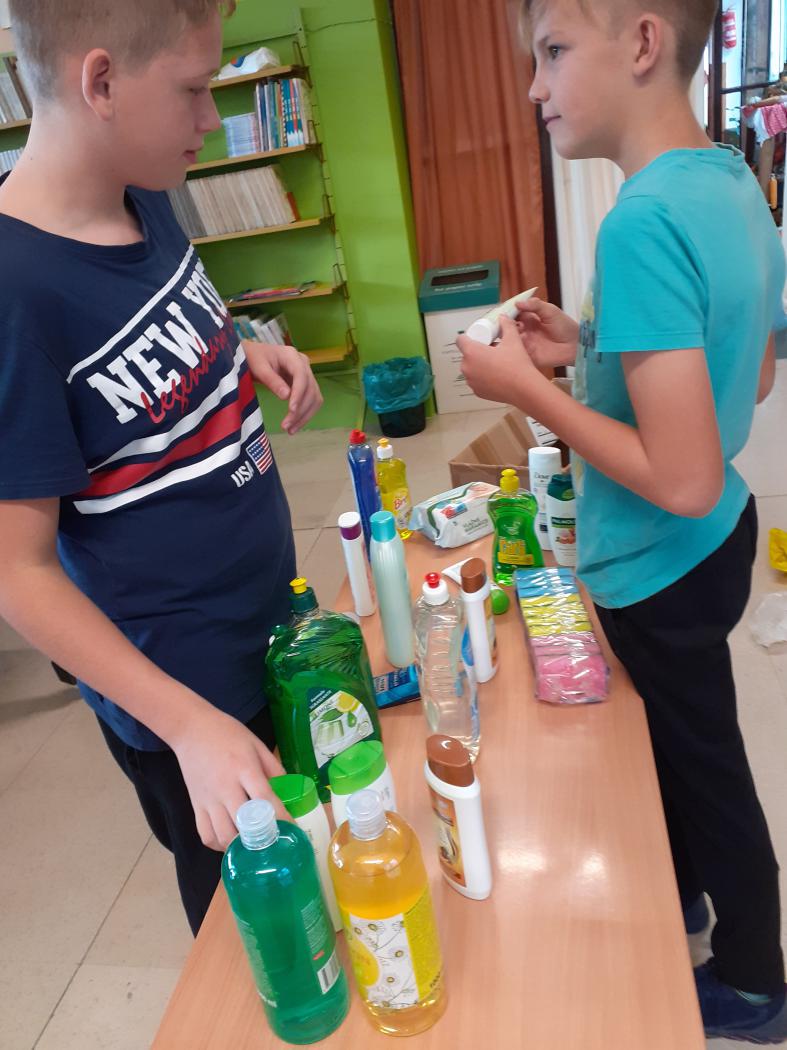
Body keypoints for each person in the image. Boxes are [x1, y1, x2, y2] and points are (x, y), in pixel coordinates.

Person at [458, 0, 786, 1041]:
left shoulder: (639, 221)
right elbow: (751, 373)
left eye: (553, 52)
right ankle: (678, 897)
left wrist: (524, 388)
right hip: (717, 539)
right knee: (681, 746)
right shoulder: (730, 180)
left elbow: (677, 477)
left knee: (703, 765)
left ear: (642, 44)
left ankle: (754, 981)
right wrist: (592, 344)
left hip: (659, 561)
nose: (534, 86)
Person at [0, 0, 323, 935]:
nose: (210, 119)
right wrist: (186, 726)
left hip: (265, 627)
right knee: (256, 934)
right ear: (100, 82)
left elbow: (158, 339)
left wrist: (241, 351)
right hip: (185, 695)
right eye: (192, 90)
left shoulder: (144, 189)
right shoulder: (16, 294)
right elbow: (17, 572)